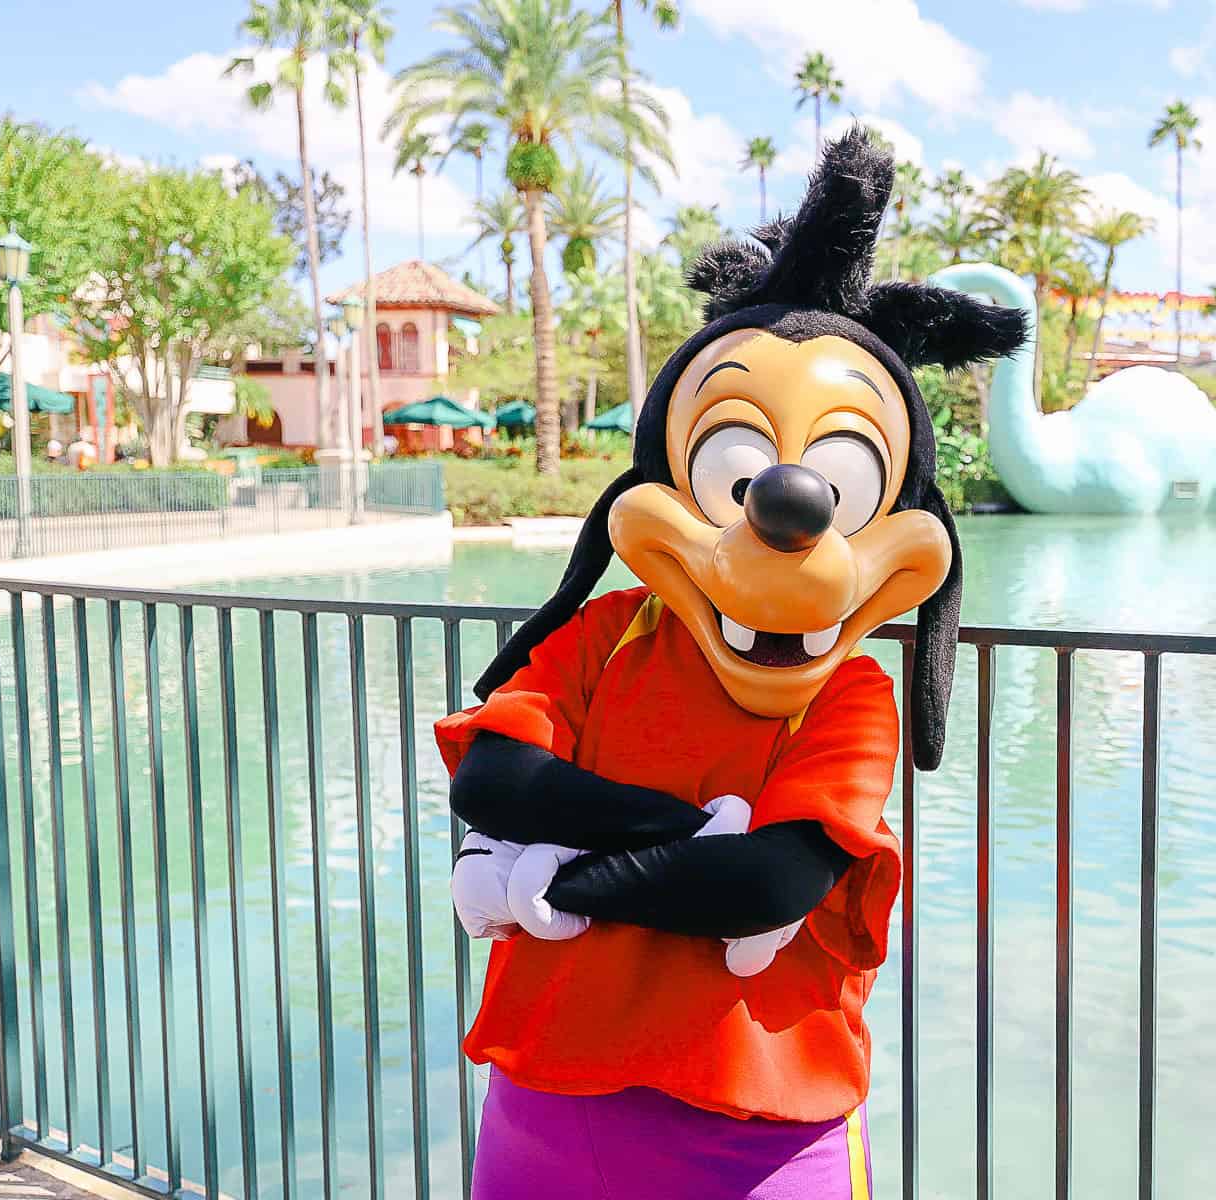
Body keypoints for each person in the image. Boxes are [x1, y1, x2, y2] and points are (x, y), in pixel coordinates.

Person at [434, 131, 1027, 1199]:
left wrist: (539, 873)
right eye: (734, 465)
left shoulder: (851, 689)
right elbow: (492, 778)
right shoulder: (603, 634)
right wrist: (693, 827)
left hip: (761, 1136)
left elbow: (765, 881)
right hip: (548, 1114)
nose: (783, 509)